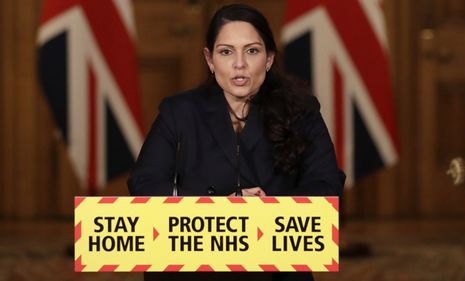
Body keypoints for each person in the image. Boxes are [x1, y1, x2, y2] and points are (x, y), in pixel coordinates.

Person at [128, 4, 345, 281]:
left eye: (252, 51)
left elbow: (326, 185)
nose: (239, 63)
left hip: (275, 266)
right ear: (210, 60)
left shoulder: (302, 111)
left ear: (268, 59)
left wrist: (271, 213)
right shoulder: (178, 112)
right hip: (194, 266)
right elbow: (144, 184)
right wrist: (216, 210)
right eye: (226, 51)